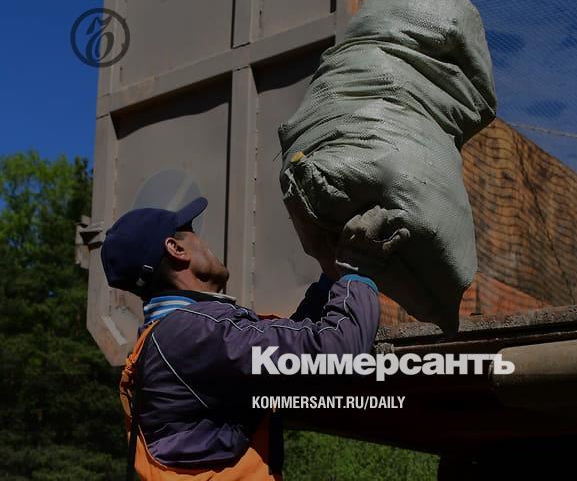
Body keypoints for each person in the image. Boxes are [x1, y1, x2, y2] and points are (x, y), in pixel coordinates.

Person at [100, 196, 406, 480]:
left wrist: (331, 277)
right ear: (176, 249)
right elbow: (337, 353)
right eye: (192, 232)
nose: (204, 242)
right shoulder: (194, 332)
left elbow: (287, 352)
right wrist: (356, 267)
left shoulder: (169, 338)